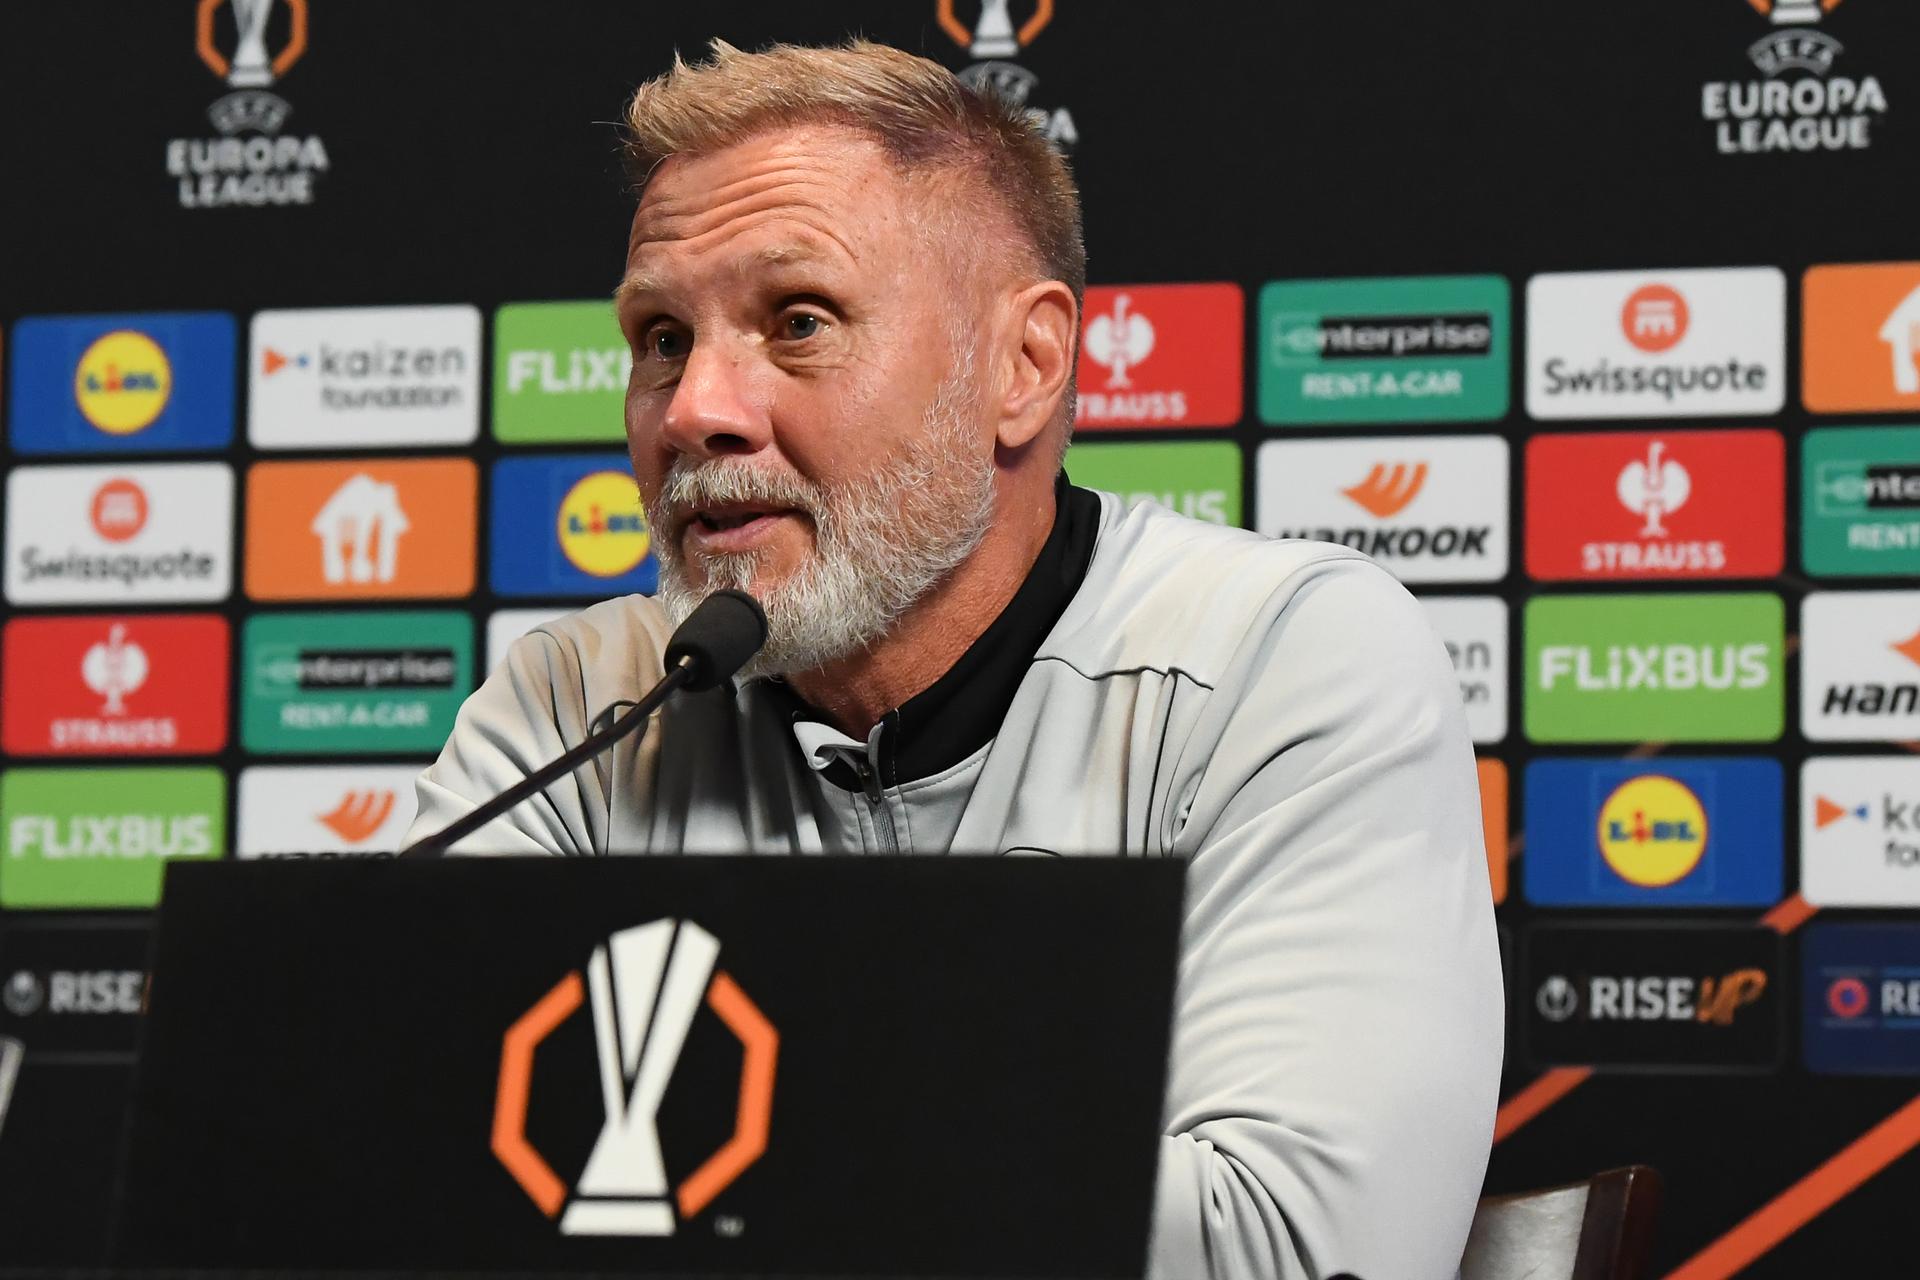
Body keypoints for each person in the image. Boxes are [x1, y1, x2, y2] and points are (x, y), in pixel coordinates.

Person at [408, 38, 1502, 1280]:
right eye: (661, 336)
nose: (696, 405)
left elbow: (1292, 1250)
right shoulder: (574, 705)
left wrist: (694, 1111)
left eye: (798, 320)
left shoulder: (1285, 658)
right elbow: (388, 1167)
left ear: (1022, 368)